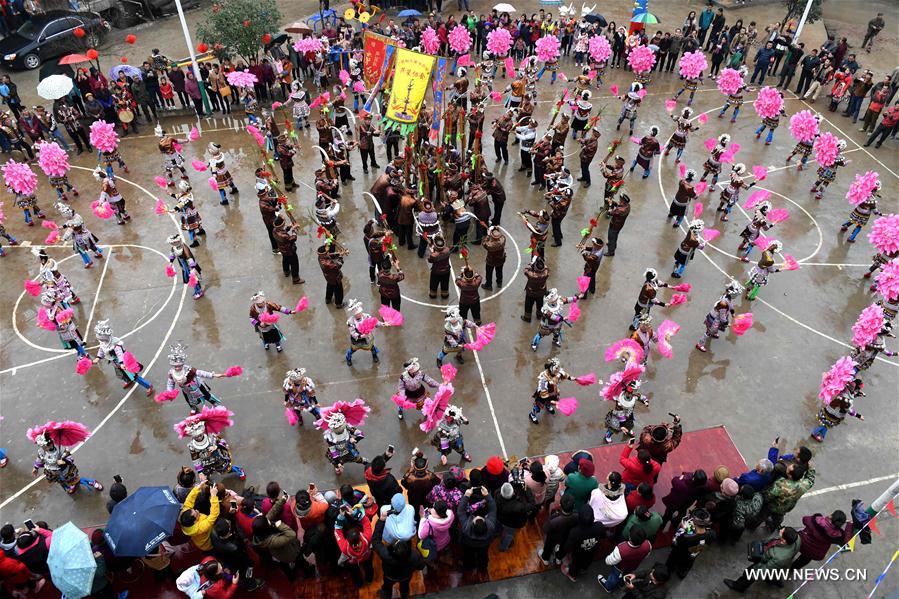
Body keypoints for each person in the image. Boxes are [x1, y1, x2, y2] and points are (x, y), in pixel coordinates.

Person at [724, 526, 800, 591]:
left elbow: (766, 568)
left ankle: (739, 586)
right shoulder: (797, 538)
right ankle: (776, 581)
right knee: (774, 573)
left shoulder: (779, 558)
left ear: (784, 540)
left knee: (749, 573)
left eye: (781, 532)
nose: (780, 530)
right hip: (777, 564)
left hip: (766, 562)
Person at [457, 486, 498, 572]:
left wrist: (466, 496)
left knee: (468, 556)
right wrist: (487, 495)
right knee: (483, 556)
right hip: (484, 544)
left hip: (468, 544)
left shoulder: (466, 527)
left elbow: (460, 511)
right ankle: (483, 567)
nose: (478, 516)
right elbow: (493, 509)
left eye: (476, 519)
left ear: (473, 524)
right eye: (481, 518)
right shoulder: (491, 526)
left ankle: (469, 567)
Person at [598, 527, 653, 592]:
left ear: (630, 537)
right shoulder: (648, 545)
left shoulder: (621, 549)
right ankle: (621, 583)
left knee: (614, 577)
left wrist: (607, 559)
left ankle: (608, 587)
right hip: (633, 565)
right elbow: (646, 556)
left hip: (619, 567)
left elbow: (609, 561)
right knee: (627, 575)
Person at [559, 504, 605, 581]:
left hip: (578, 553)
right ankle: (584, 569)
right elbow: (603, 536)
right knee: (588, 561)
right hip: (592, 550)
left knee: (575, 564)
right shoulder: (599, 526)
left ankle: (572, 575)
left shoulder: (575, 532)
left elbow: (568, 547)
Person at [665, 507, 714, 579]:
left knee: (672, 561)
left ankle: (668, 571)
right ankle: (682, 572)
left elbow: (675, 541)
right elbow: (706, 545)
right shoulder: (711, 533)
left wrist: (681, 528)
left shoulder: (687, 534)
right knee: (688, 562)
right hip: (693, 553)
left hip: (679, 551)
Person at [179, 481, 220, 551]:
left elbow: (189, 500)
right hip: (207, 544)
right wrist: (213, 496)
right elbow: (214, 515)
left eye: (194, 510)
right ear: (195, 521)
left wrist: (198, 487)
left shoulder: (185, 515)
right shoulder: (200, 528)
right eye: (196, 514)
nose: (197, 511)